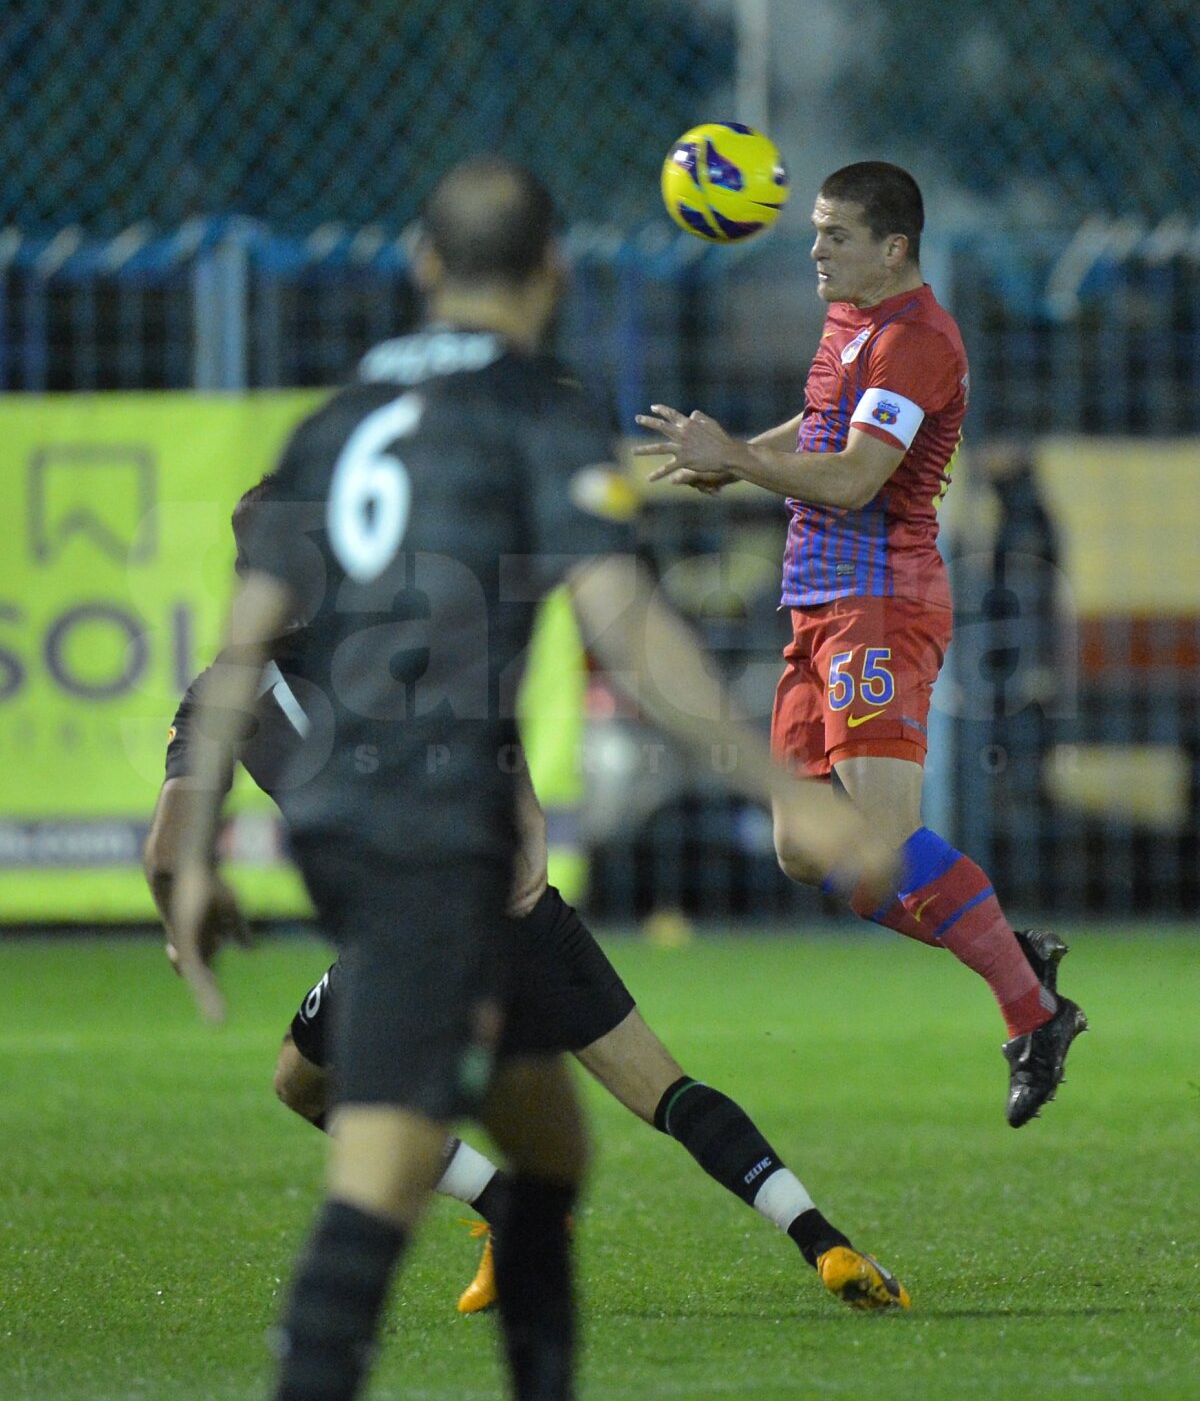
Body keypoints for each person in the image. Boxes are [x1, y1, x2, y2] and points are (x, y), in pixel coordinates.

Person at [166, 158, 900, 1401]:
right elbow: (629, 629)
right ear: (555, 271)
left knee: (545, 1152)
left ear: (422, 266)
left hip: (356, 847)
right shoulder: (533, 410)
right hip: (445, 850)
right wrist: (786, 786)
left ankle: (522, 1308)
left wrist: (180, 852)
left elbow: (238, 654)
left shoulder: (331, 425)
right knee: (381, 1157)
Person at [145, 492, 910, 1318]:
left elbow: (165, 851)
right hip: (513, 904)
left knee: (307, 1087)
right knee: (667, 1091)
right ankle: (822, 1239)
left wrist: (180, 915)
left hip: (403, 936)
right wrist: (529, 825)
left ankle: (506, 1209)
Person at [634, 160, 1087, 1129]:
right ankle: (1014, 951)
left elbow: (855, 479)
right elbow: (829, 419)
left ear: (893, 247)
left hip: (881, 601)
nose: (814, 249)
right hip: (818, 605)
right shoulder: (856, 319)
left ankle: (1030, 1010)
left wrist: (743, 463)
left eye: (834, 234)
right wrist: (746, 454)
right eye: (814, 230)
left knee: (879, 842)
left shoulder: (920, 339)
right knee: (808, 850)